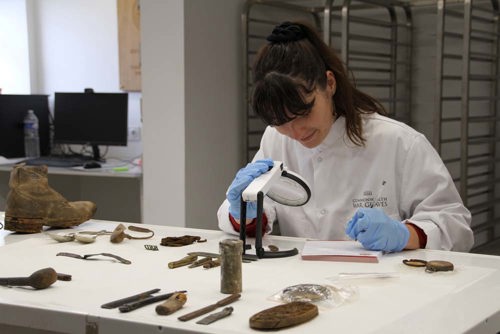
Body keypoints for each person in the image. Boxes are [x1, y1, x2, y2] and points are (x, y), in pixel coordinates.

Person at [217, 21, 474, 253]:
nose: (295, 133)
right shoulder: (275, 139)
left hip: (386, 289)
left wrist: (406, 234)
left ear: (329, 84)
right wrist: (245, 214)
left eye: (304, 113)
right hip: (305, 288)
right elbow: (260, 214)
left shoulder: (398, 142)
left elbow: (456, 226)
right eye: (280, 121)